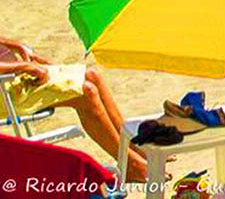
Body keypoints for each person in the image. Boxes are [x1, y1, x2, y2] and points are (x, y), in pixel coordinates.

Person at [0, 37, 148, 181]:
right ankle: (130, 164)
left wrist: (17, 46)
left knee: (92, 76)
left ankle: (131, 145)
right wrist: (24, 66)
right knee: (86, 93)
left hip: (12, 76)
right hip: (5, 90)